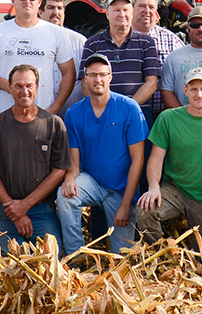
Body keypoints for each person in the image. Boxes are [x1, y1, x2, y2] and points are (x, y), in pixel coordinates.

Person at [137, 67, 202, 256]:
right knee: (145, 209)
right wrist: (153, 186)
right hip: (174, 189)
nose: (199, 94)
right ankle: (158, 257)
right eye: (193, 89)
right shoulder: (168, 118)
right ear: (185, 91)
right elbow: (155, 159)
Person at [57, 54, 148, 255]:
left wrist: (126, 205)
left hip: (121, 191)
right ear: (85, 79)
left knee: (121, 256)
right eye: (93, 75)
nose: (98, 79)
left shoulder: (129, 108)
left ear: (110, 77)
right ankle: (76, 255)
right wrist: (70, 178)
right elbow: (74, 159)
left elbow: (138, 160)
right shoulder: (74, 113)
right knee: (65, 195)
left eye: (102, 75)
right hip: (92, 183)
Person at [0, 64, 69, 255]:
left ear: (37, 87)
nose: (24, 91)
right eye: (18, 86)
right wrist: (14, 209)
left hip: (40, 209)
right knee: (9, 261)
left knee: (50, 257)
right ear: (10, 88)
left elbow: (59, 170)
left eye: (29, 85)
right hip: (4, 209)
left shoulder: (53, 124)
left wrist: (26, 205)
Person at [0, 0, 77, 122]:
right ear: (13, 0)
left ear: (39, 2)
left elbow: (69, 73)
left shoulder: (56, 33)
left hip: (42, 118)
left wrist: (55, 108)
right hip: (6, 119)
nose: (27, 1)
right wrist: (5, 84)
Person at [80, 0, 161, 112]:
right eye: (116, 10)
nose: (122, 14)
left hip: (137, 112)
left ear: (132, 13)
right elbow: (86, 83)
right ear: (107, 14)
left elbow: (152, 83)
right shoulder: (92, 44)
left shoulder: (146, 43)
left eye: (125, 10)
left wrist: (129, 108)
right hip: (103, 113)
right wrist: (105, 108)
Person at [132, 0, 184, 120]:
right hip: (131, 115)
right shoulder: (121, 39)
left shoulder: (172, 40)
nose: (147, 11)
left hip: (165, 115)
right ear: (131, 9)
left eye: (151, 7)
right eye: (142, 6)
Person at [41, 0, 88, 106]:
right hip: (42, 112)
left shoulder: (80, 42)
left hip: (72, 113)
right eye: (51, 8)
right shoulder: (33, 41)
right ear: (40, 12)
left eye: (60, 8)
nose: (56, 12)